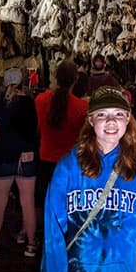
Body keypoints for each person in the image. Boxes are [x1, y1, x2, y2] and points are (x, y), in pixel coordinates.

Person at [43, 87, 136, 272]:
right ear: (90, 120)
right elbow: (53, 232)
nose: (111, 121)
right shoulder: (67, 169)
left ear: (127, 119)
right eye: (101, 114)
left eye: (118, 114)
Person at [0, 68, 39, 260]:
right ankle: (31, 244)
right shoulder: (29, 105)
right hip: (26, 157)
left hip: (3, 157)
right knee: (27, 202)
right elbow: (35, 131)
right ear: (22, 83)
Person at [35, 59, 88, 208]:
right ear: (75, 80)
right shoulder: (82, 107)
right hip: (70, 162)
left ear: (55, 77)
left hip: (46, 160)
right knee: (69, 206)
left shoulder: (41, 100)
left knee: (49, 204)